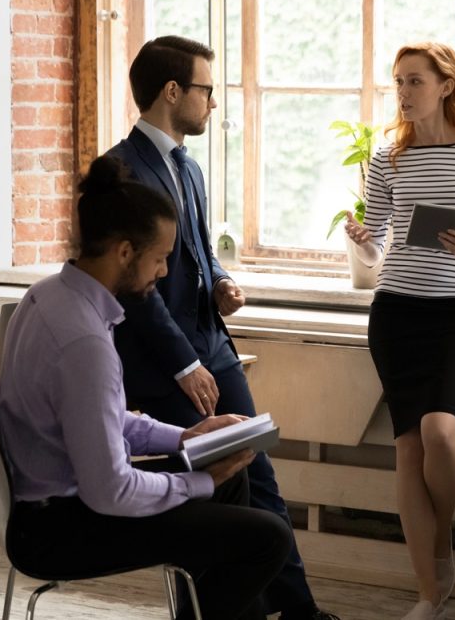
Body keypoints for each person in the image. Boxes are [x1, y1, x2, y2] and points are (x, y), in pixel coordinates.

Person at [0, 156, 291, 620]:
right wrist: (196, 482)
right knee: (268, 538)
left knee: (230, 482)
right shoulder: (84, 343)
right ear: (126, 252)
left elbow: (100, 419)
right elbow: (109, 490)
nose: (165, 272)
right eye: (160, 258)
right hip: (62, 528)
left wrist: (186, 438)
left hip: (57, 506)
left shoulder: (48, 295)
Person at [105, 35, 336, 620]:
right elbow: (135, 281)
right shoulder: (120, 169)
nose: (214, 103)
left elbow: (198, 251)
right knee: (219, 491)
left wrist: (222, 280)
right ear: (173, 91)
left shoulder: (191, 167)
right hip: (167, 366)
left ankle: (300, 612)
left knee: (260, 475)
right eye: (207, 89)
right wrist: (184, 363)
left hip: (216, 347)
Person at [344, 41, 455, 620]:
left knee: (441, 434)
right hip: (395, 313)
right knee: (408, 447)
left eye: (414, 81)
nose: (404, 93)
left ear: (445, 85)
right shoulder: (390, 158)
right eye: (398, 82)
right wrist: (362, 238)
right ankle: (428, 592)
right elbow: (380, 239)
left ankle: (440, 543)